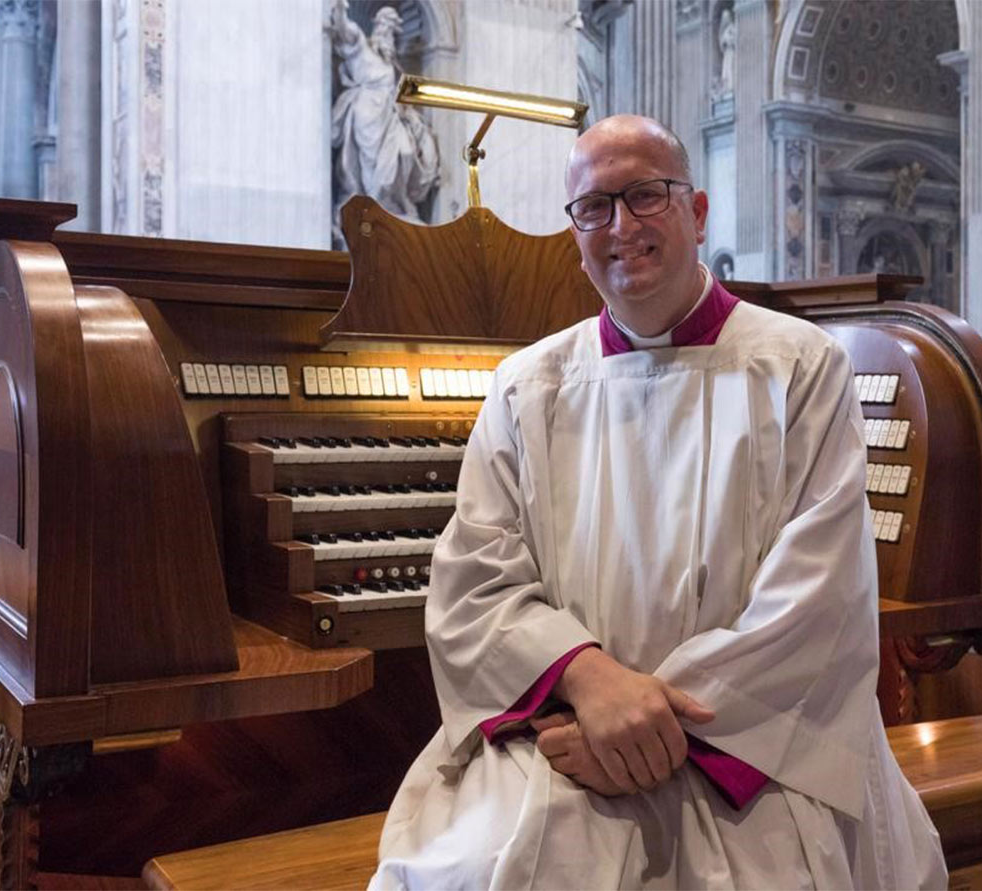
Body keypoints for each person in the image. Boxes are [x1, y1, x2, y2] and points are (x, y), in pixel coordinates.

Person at [371, 115, 945, 889]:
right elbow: (475, 584)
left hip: (753, 748)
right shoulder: (525, 386)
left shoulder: (801, 368)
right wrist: (586, 679)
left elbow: (817, 603)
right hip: (567, 730)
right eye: (595, 207)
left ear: (698, 212)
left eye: (646, 196)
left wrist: (649, 732)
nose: (621, 226)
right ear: (574, 231)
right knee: (482, 867)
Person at [327, 0, 439, 244]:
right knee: (369, 176)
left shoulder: (391, 66)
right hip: (367, 119)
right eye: (386, 31)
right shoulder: (363, 52)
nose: (390, 38)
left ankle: (391, 208)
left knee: (406, 153)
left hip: (388, 120)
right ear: (377, 30)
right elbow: (348, 34)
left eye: (393, 34)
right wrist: (339, 10)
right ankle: (370, 208)